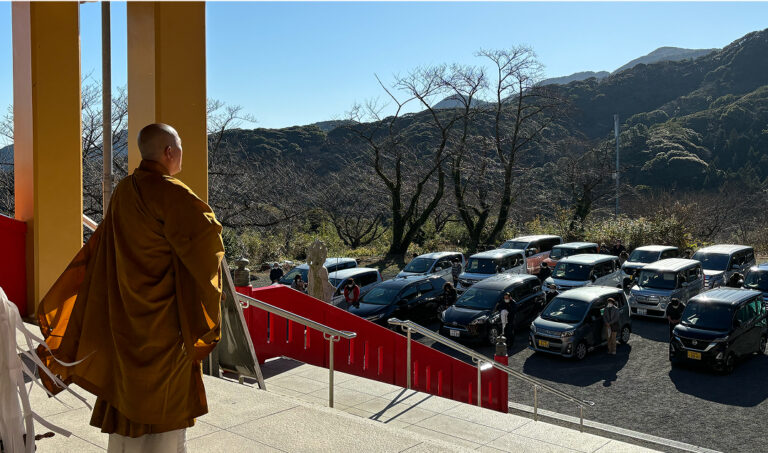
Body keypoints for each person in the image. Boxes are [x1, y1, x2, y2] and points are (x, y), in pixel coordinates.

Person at [36, 123, 224, 452]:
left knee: (127, 390)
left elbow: (106, 249)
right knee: (165, 403)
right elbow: (208, 247)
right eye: (179, 147)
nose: (181, 154)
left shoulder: (124, 190)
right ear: (169, 152)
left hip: (125, 314)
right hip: (166, 325)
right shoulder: (174, 193)